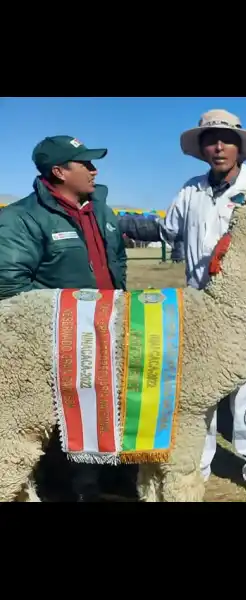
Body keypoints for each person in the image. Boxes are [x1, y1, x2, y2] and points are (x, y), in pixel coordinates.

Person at [159, 109, 246, 500]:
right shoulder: (188, 192)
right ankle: (198, 462)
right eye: (211, 140)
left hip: (244, 310)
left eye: (226, 140)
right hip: (198, 309)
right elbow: (169, 236)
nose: (218, 147)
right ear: (202, 148)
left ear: (239, 148)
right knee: (198, 392)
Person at [0, 135, 127, 501]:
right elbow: (9, 286)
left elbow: (116, 265)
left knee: (107, 409)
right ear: (58, 171)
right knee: (61, 419)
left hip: (109, 334)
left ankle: (106, 481)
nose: (93, 169)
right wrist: (62, 322)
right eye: (84, 163)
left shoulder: (102, 210)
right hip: (58, 341)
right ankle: (71, 487)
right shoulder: (20, 218)